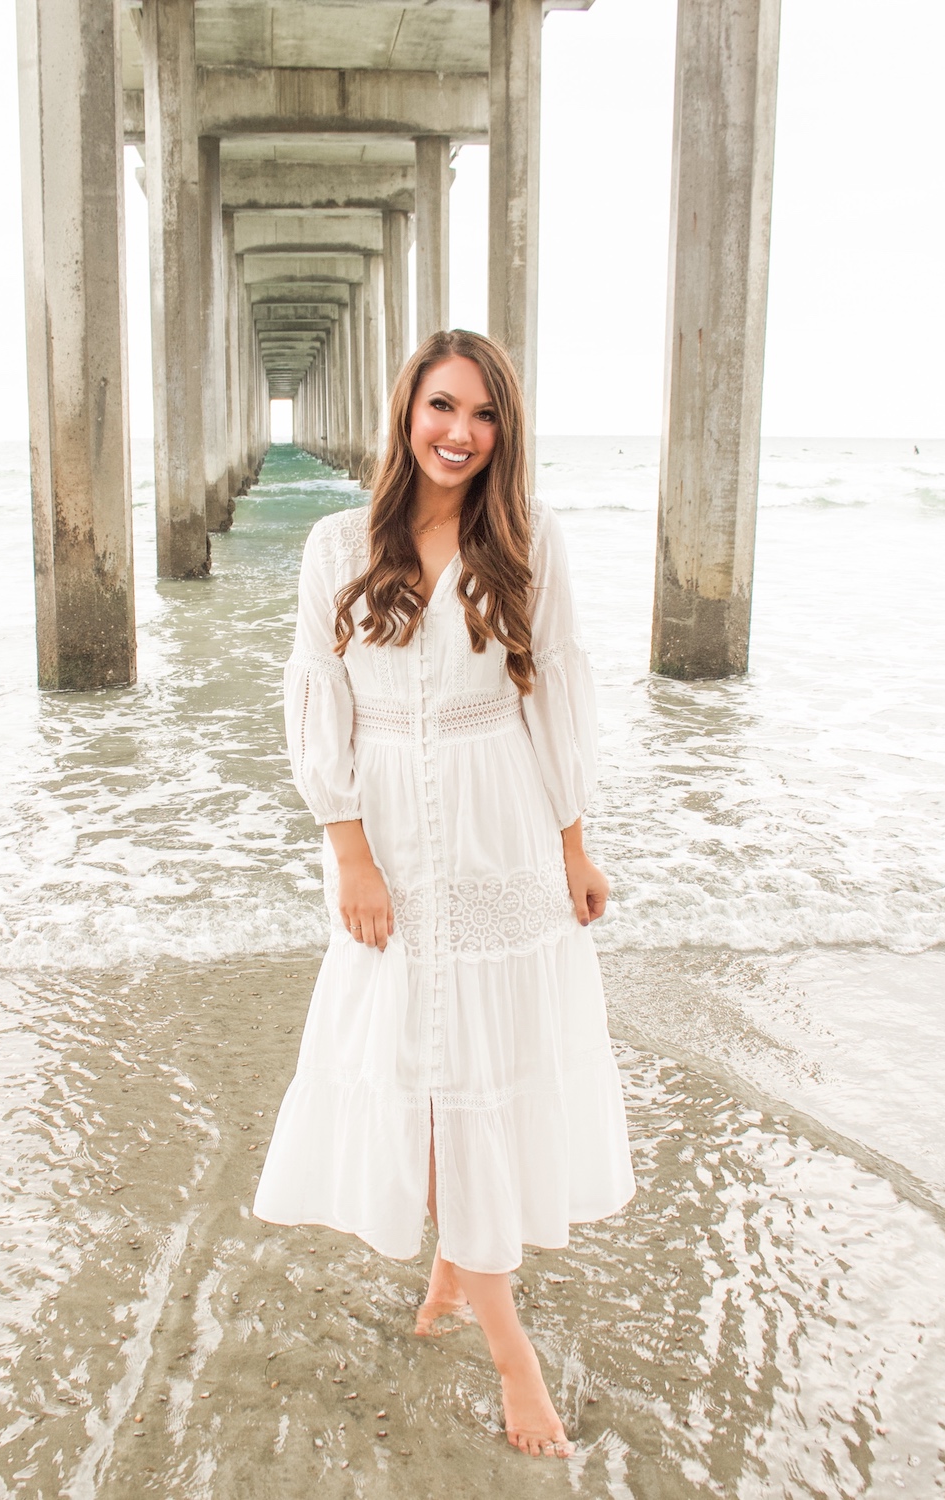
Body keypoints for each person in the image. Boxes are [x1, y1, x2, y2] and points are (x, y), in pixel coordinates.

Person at [253, 329, 635, 1459]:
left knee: (476, 1071)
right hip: (393, 846)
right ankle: (481, 1306)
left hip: (502, 829)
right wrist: (349, 853)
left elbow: (556, 693)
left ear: (502, 433)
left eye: (483, 416)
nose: (460, 433)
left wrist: (574, 840)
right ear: (405, 413)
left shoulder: (528, 542)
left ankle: (479, 1307)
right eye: (442, 407)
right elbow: (319, 702)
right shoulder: (336, 546)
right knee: (422, 1065)